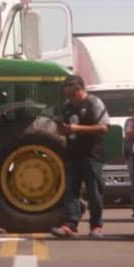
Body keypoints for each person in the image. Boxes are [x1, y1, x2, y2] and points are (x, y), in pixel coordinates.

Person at [51, 75, 111, 239]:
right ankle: (70, 224)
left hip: (92, 155)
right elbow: (65, 128)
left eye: (71, 95)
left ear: (80, 90)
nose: (69, 99)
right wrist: (62, 129)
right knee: (70, 192)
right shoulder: (67, 107)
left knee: (94, 193)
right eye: (67, 96)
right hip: (72, 154)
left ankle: (96, 226)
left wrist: (77, 129)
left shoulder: (94, 103)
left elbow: (104, 127)